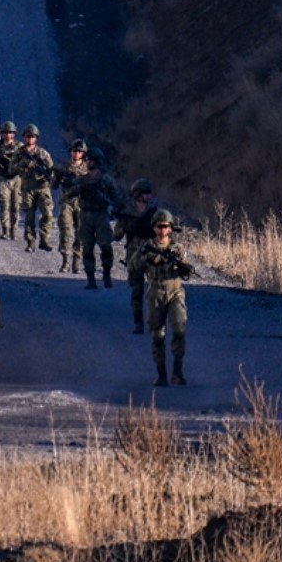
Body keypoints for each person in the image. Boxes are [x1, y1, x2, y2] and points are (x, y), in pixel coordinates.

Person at [133, 210, 193, 386]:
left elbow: (186, 272)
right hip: (155, 292)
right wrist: (149, 259)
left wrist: (179, 266)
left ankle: (177, 372)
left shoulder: (177, 249)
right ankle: (161, 375)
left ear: (170, 229)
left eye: (165, 226)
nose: (162, 230)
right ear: (153, 227)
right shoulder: (146, 247)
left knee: (179, 330)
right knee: (157, 335)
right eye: (159, 226)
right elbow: (133, 266)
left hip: (175, 291)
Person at [76, 148, 125, 290]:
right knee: (87, 247)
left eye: (92, 160)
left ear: (98, 162)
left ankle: (107, 275)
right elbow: (69, 193)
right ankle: (91, 279)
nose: (88, 162)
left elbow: (117, 198)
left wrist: (117, 211)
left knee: (106, 246)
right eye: (88, 160)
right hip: (85, 215)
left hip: (101, 215)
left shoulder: (106, 180)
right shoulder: (82, 179)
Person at [115, 179, 158, 333]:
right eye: (146, 193)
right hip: (134, 254)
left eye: (149, 193)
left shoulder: (154, 213)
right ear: (138, 194)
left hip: (151, 253)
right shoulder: (127, 212)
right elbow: (117, 235)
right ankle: (138, 322)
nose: (149, 196)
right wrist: (126, 225)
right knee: (137, 290)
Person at [10, 123, 55, 252]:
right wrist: (24, 164)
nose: (30, 139)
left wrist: (45, 175)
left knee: (47, 214)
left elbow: (51, 170)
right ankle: (30, 242)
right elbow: (12, 168)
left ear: (36, 138)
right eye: (28, 136)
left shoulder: (43, 154)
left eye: (32, 136)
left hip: (42, 188)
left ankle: (44, 239)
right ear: (24, 137)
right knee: (29, 216)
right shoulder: (19, 153)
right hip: (27, 188)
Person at [55, 139, 90, 274]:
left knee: (81, 233)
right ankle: (65, 261)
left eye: (80, 151)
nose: (77, 153)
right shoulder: (63, 167)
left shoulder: (87, 169)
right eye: (75, 151)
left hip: (82, 203)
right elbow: (54, 185)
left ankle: (76, 261)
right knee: (65, 230)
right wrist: (59, 178)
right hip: (67, 202)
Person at [0, 121, 22, 240]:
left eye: (10, 132)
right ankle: (5, 230)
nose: (7, 135)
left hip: (16, 179)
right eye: (5, 132)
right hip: (3, 178)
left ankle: (13, 231)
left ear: (14, 134)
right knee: (4, 204)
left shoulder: (19, 147)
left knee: (15, 206)